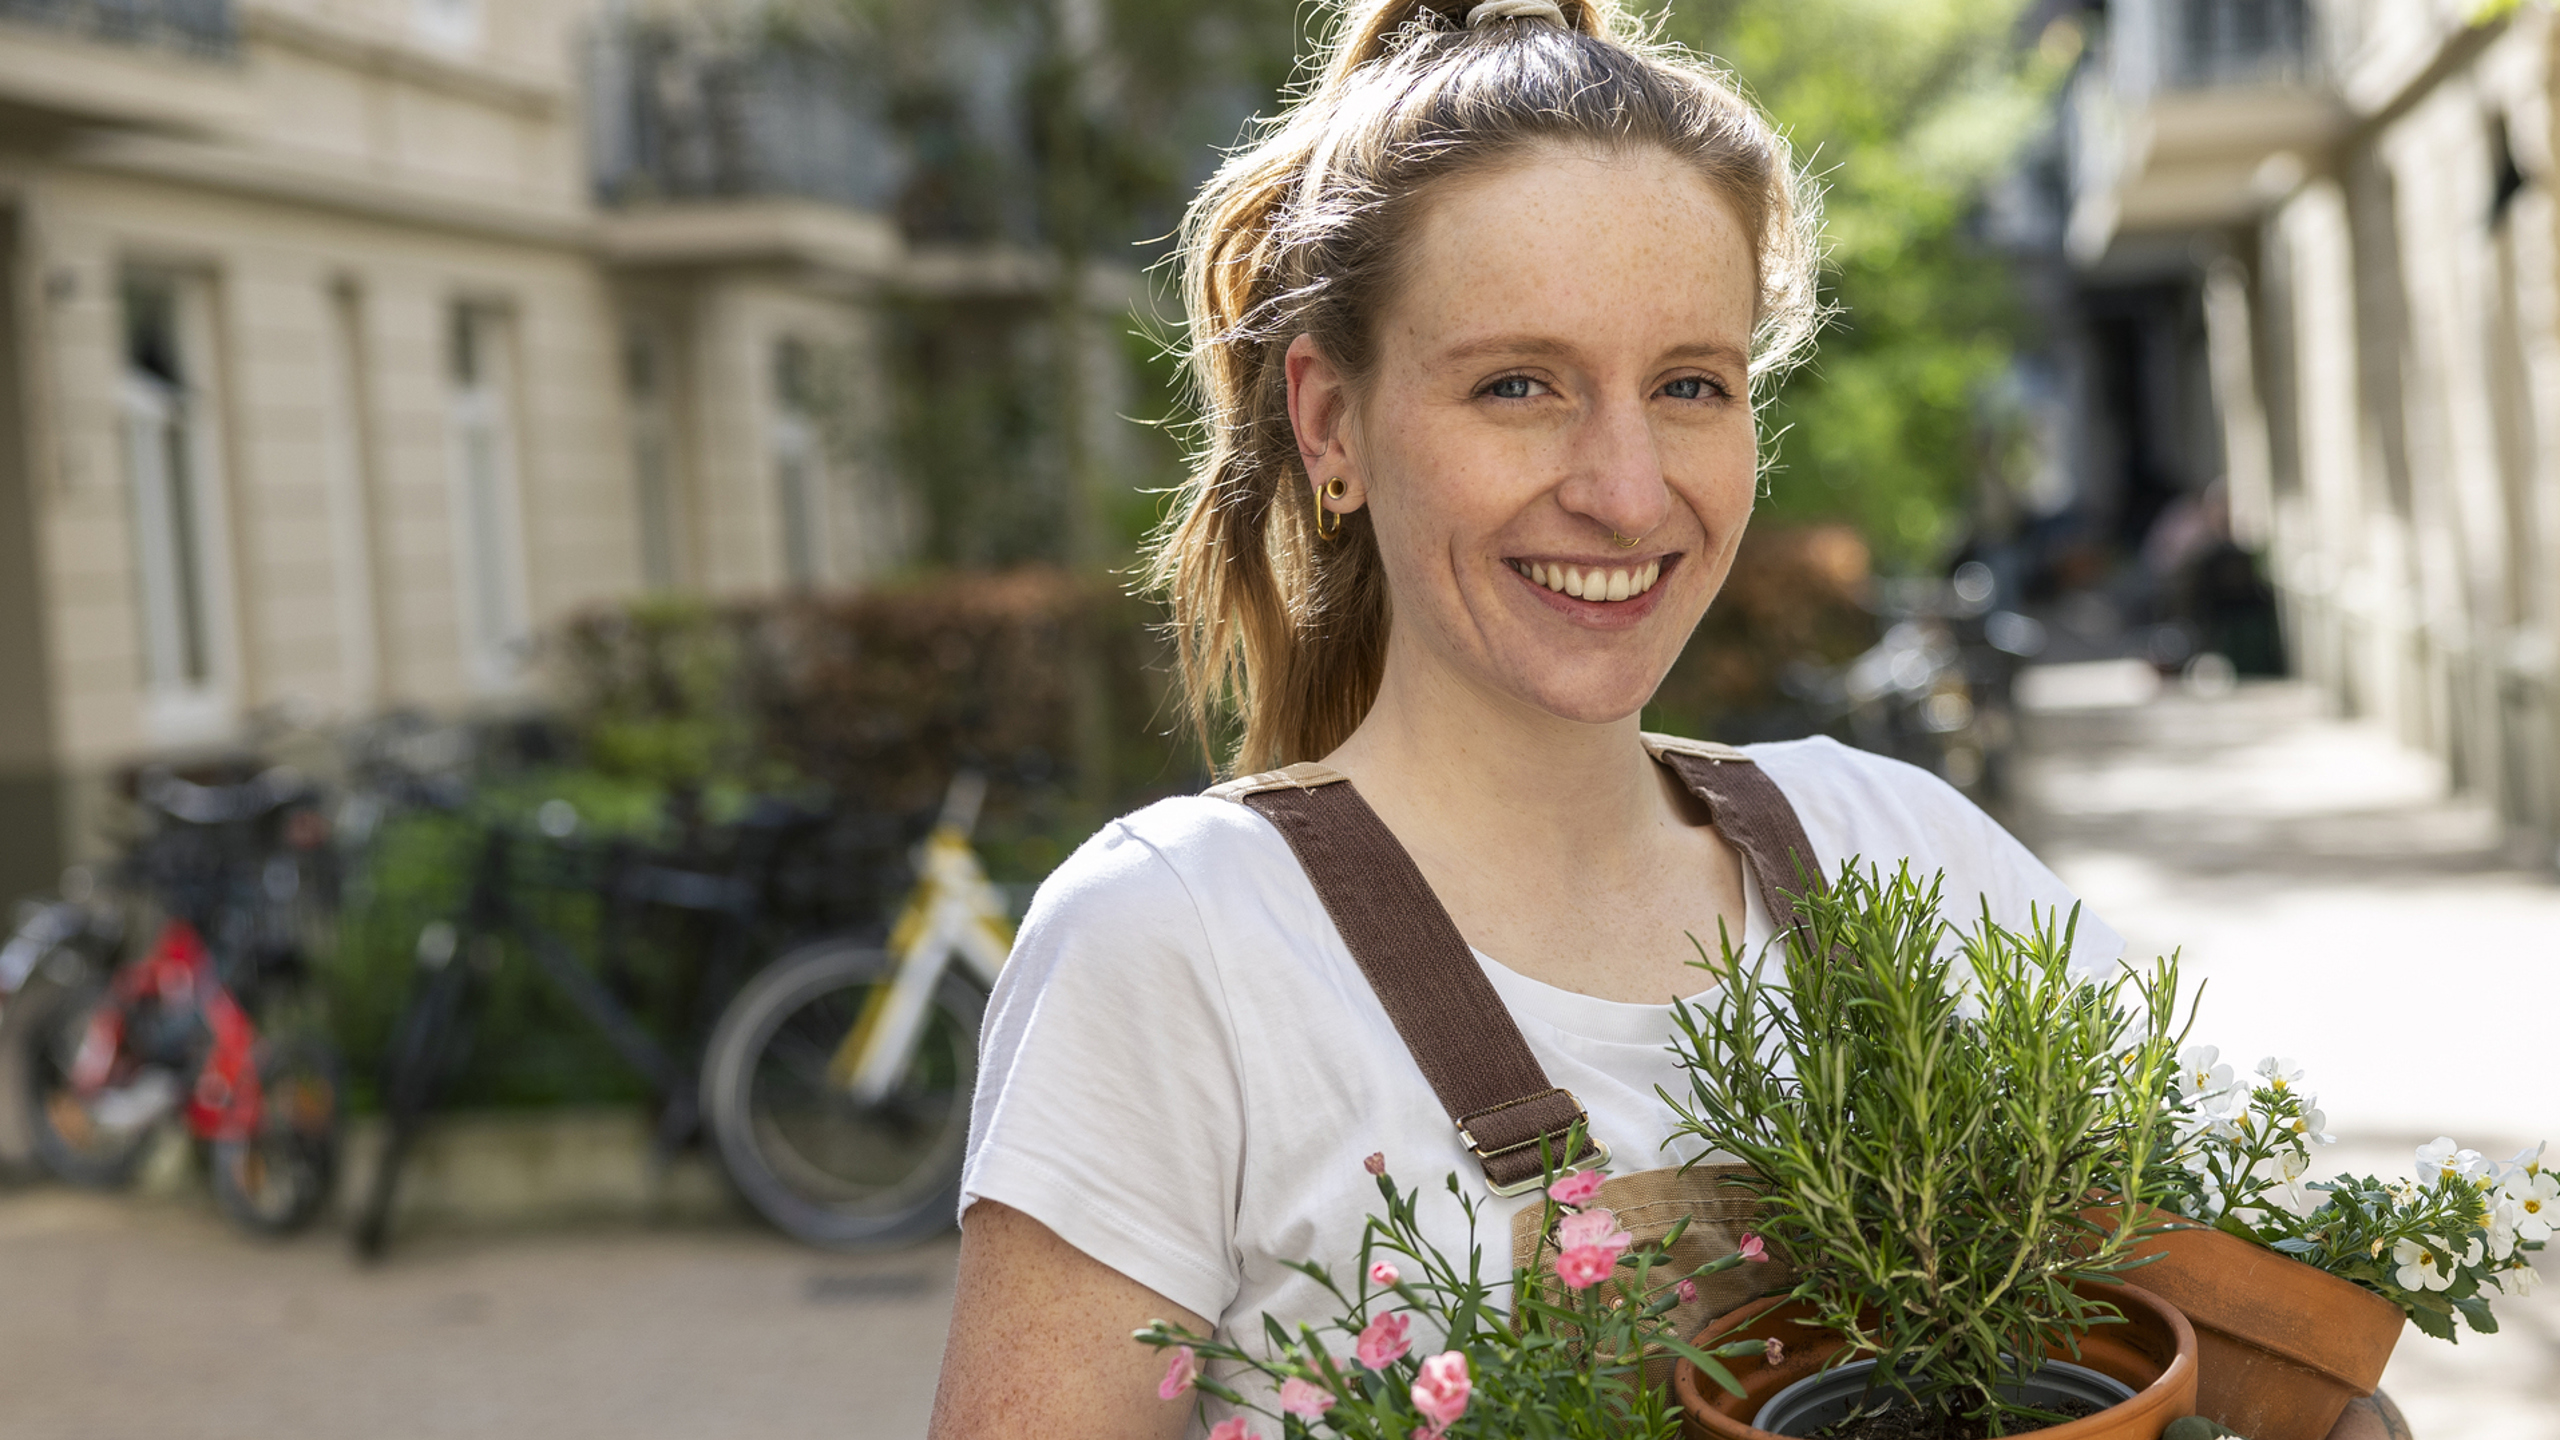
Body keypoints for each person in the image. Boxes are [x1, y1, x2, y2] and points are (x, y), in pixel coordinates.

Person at [927, 3, 2390, 1437]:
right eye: (1518, 385)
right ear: (1330, 423)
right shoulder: (1179, 946)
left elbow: (2295, 1374)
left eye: (1691, 384)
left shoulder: (1903, 849)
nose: (1627, 492)